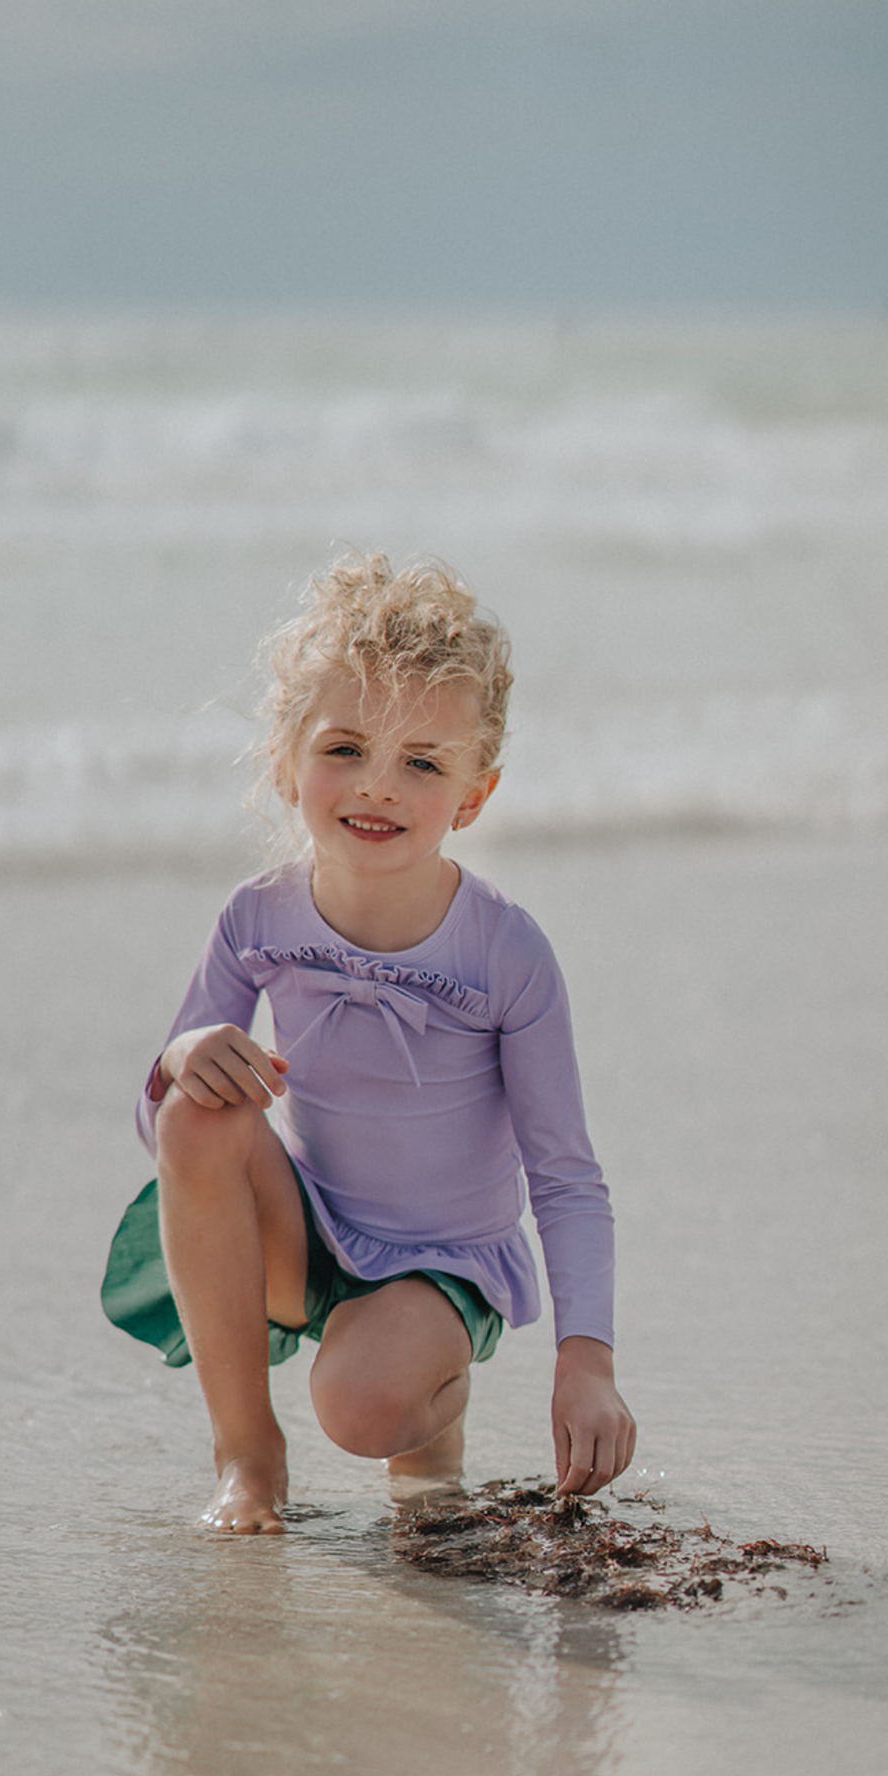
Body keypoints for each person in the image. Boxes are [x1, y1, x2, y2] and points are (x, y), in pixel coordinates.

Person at [102, 552, 634, 1533]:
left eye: (422, 762)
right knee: (197, 1114)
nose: (377, 787)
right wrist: (182, 1056)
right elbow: (161, 1133)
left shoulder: (504, 951)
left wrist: (585, 1360)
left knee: (362, 1404)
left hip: (443, 1259)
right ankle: (245, 1455)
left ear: (472, 795)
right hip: (307, 1227)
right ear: (283, 760)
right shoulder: (256, 917)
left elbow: (564, 1174)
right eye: (344, 747)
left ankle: (429, 1404)